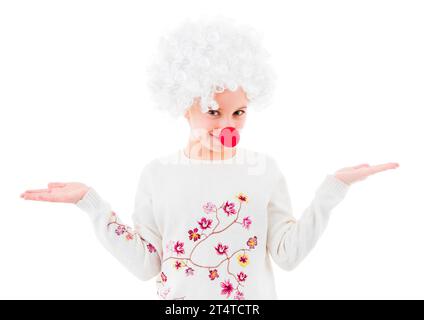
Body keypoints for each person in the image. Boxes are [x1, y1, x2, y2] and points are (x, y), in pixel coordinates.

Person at [20, 16, 399, 300]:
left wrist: (333, 190)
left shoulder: (264, 170)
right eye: (214, 111)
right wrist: (92, 204)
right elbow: (146, 265)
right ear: (185, 106)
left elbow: (287, 255)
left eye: (239, 112)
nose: (228, 125)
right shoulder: (157, 174)